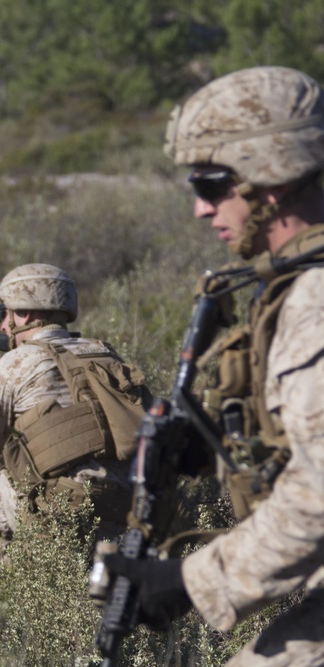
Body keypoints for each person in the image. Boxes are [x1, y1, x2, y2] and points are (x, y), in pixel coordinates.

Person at [105, 66, 324, 665]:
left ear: (267, 181)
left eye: (210, 186)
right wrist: (217, 439)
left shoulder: (314, 300)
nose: (202, 210)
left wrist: (191, 583)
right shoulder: (292, 284)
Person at [0, 264, 151, 562]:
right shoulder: (106, 354)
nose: (3, 326)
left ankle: (12, 586)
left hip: (66, 505)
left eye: (5, 314)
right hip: (130, 500)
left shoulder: (14, 365)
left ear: (25, 314)